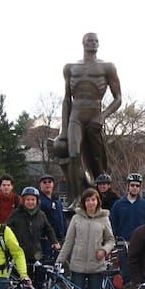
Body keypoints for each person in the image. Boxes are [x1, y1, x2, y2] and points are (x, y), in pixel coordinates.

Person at [56, 32, 123, 204]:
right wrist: (63, 130)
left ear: (98, 44)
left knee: (97, 160)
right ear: (83, 43)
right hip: (76, 115)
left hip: (95, 114)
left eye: (95, 41)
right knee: (73, 154)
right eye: (89, 41)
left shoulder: (107, 67)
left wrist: (102, 116)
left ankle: (98, 194)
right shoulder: (70, 67)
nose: (92, 43)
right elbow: (66, 99)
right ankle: (77, 197)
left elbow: (118, 99)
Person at [56, 188, 115, 289]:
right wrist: (60, 261)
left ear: (97, 201)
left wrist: (104, 250)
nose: (91, 203)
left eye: (93, 200)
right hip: (78, 265)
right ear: (84, 202)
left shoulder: (104, 218)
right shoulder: (76, 218)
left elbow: (110, 239)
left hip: (96, 265)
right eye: (88, 200)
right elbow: (68, 241)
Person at [6, 186, 60, 283]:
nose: (30, 202)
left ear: (37, 201)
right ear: (23, 200)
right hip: (20, 254)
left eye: (33, 199)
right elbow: (7, 229)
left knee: (38, 282)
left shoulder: (41, 215)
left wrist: (54, 241)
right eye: (27, 199)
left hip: (36, 254)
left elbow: (48, 229)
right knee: (21, 283)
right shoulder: (16, 214)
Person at [109, 173, 145, 281]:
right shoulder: (118, 204)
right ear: (128, 186)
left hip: (141, 246)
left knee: (141, 276)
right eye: (132, 185)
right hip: (123, 245)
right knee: (125, 276)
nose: (135, 188)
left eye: (137, 186)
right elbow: (112, 224)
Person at [38, 174, 67, 258]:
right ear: (40, 185)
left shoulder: (57, 201)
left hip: (60, 239)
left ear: (53, 184)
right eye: (44, 182)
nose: (47, 184)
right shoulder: (39, 201)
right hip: (47, 240)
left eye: (50, 182)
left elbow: (63, 219)